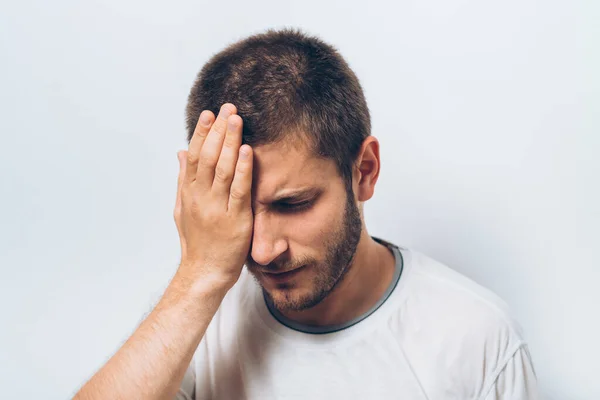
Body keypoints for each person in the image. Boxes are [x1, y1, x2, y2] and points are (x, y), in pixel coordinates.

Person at [73, 28, 538, 400]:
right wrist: (198, 276)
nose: (263, 249)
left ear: (365, 172)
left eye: (292, 204)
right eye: (238, 207)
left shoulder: (476, 339)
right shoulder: (196, 317)